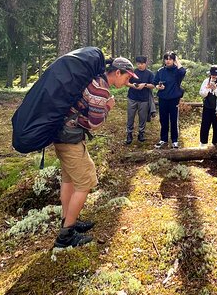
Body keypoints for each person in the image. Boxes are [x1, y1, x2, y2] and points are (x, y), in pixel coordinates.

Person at [53, 55, 138, 248]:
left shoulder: (94, 81)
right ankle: (65, 236)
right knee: (85, 182)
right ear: (117, 72)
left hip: (61, 134)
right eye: (127, 77)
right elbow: (94, 123)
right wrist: (108, 107)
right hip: (70, 139)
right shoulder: (100, 89)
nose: (128, 82)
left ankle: (68, 221)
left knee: (69, 180)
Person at [153, 51, 186, 149]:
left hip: (174, 99)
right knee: (163, 119)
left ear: (174, 60)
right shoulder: (160, 71)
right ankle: (163, 139)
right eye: (166, 59)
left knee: (174, 120)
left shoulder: (177, 71)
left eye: (170, 59)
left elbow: (183, 72)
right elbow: (155, 82)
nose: (168, 61)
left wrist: (177, 61)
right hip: (162, 98)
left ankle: (175, 140)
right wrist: (158, 86)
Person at [125, 56, 155, 144]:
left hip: (144, 99)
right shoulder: (132, 72)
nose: (140, 66)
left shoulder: (149, 73)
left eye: (141, 64)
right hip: (132, 98)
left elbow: (153, 85)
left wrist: (144, 85)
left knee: (143, 118)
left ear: (145, 63)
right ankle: (129, 133)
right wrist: (133, 85)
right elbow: (126, 83)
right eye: (138, 64)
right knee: (130, 117)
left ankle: (141, 133)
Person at [198, 65, 217, 147]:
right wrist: (208, 88)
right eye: (212, 75)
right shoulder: (206, 81)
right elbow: (201, 93)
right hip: (207, 107)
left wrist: (215, 89)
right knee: (205, 125)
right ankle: (203, 143)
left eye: (215, 75)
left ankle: (216, 144)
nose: (214, 77)